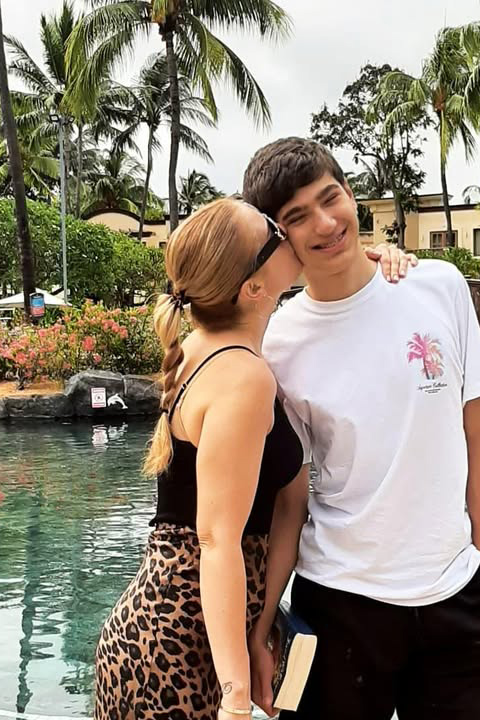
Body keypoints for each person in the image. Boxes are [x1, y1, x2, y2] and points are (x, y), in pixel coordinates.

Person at [92, 196, 413, 720]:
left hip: (174, 631)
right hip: (180, 648)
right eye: (272, 230)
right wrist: (236, 698)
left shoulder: (208, 345)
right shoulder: (242, 376)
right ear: (254, 289)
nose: (288, 231)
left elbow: (283, 504)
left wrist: (377, 257)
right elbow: (217, 540)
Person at [243, 137, 480, 720]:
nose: (326, 224)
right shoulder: (277, 345)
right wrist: (263, 624)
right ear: (278, 235)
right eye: (298, 216)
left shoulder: (440, 286)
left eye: (331, 199)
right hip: (340, 601)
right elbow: (291, 497)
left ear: (351, 195)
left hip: (456, 591)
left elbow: (475, 436)